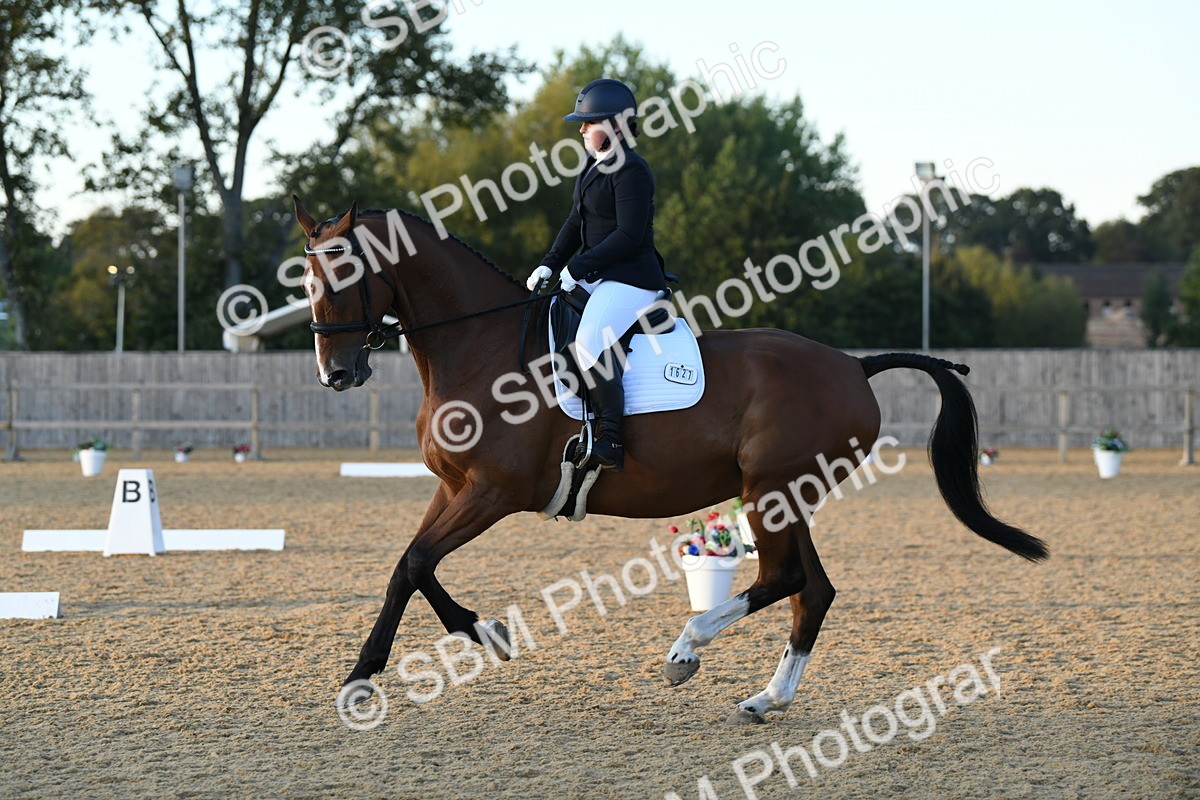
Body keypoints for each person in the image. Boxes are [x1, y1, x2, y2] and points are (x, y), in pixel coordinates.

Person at [527, 78, 666, 472]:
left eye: (590, 123)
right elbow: (576, 221)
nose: (582, 130)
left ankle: (611, 438)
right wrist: (550, 263)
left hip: (632, 278)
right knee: (548, 317)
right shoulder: (593, 165)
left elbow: (628, 235)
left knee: (589, 342)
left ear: (616, 125)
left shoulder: (632, 170)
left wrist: (578, 267)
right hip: (601, 274)